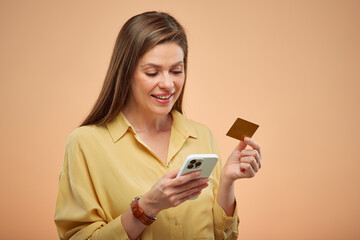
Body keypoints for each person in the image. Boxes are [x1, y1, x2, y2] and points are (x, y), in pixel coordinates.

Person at [54, 11, 262, 240]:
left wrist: (227, 183)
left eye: (176, 71)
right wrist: (147, 207)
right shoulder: (84, 144)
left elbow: (222, 236)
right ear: (126, 73)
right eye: (152, 72)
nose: (167, 84)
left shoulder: (202, 136)